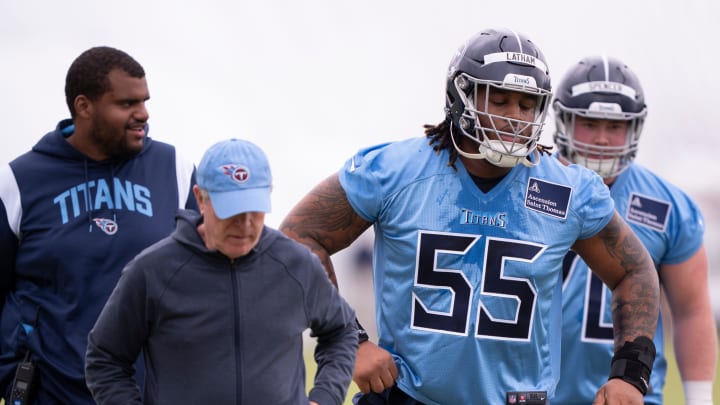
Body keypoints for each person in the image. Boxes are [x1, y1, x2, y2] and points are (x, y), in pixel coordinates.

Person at [280, 27, 661, 405]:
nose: (515, 118)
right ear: (461, 96)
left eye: (527, 105)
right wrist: (348, 339)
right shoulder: (396, 171)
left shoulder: (568, 189)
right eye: (500, 100)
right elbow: (298, 238)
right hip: (408, 396)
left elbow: (634, 271)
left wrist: (630, 373)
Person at [85, 138, 358, 405]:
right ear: (200, 199)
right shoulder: (152, 271)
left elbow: (341, 331)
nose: (245, 225)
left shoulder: (296, 264)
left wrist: (324, 398)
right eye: (232, 212)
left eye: (255, 211)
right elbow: (105, 358)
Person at [0, 46, 198, 404]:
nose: (143, 114)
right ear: (84, 106)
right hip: (55, 394)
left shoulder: (175, 170)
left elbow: (208, 280)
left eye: (144, 101)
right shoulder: (19, 182)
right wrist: (11, 378)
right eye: (126, 104)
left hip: (152, 394)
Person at [550, 55, 718, 405]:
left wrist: (699, 399)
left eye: (615, 126)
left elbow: (691, 310)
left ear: (634, 128)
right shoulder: (527, 187)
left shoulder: (669, 206)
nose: (602, 139)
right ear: (564, 120)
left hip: (630, 394)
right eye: (589, 123)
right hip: (529, 391)